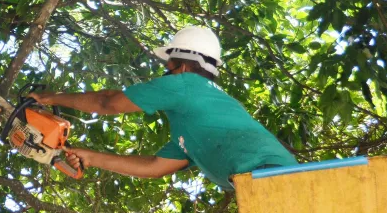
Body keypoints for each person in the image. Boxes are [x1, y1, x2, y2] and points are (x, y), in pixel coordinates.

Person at [31, 26, 297, 191]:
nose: (165, 74)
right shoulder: (194, 124)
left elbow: (107, 103)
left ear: (181, 66)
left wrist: (50, 98)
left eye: (168, 67)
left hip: (268, 176)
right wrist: (90, 157)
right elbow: (154, 166)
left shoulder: (185, 84)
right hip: (262, 181)